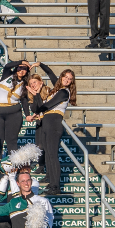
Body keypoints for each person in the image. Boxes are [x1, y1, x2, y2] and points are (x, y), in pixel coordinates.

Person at [29, 64, 75, 195]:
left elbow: (46, 106)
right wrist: (40, 64)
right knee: (48, 154)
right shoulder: (57, 89)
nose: (66, 80)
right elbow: (50, 74)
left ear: (72, 82)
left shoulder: (64, 92)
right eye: (65, 77)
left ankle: (56, 186)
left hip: (54, 124)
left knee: (53, 156)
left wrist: (37, 98)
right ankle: (52, 183)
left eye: (70, 79)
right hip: (46, 123)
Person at [0, 59, 30, 160]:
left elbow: (24, 101)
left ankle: (14, 165)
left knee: (12, 141)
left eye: (25, 69)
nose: (21, 70)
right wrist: (22, 61)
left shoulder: (25, 84)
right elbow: (7, 66)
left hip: (14, 113)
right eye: (20, 67)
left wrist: (27, 115)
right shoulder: (7, 75)